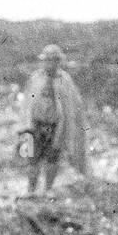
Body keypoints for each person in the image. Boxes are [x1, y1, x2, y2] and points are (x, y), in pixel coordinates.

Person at [19, 44, 89, 196]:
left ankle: (47, 190)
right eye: (47, 60)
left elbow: (71, 107)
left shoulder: (65, 80)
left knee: (52, 158)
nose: (49, 63)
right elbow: (27, 103)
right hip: (35, 125)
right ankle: (31, 190)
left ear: (59, 62)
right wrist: (25, 126)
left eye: (53, 60)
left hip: (55, 127)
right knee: (32, 158)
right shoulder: (36, 78)